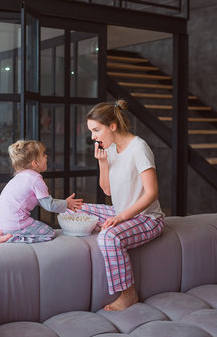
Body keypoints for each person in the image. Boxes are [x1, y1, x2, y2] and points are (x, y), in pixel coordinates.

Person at [83, 99, 164, 311]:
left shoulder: (139, 148)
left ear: (112, 126)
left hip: (147, 219)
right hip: (121, 212)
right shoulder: (109, 149)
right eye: (91, 131)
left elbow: (152, 193)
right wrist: (102, 162)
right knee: (76, 207)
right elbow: (107, 191)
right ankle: (108, 225)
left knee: (109, 237)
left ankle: (128, 294)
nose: (93, 137)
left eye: (96, 130)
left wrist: (121, 218)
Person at [0, 140, 83, 243]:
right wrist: (66, 204)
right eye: (43, 154)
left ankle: (1, 232)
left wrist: (63, 203)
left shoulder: (20, 176)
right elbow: (49, 205)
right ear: (35, 163)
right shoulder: (35, 179)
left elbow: (43, 201)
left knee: (20, 225)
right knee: (49, 233)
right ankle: (12, 238)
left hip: (2, 222)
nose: (46, 156)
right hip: (16, 222)